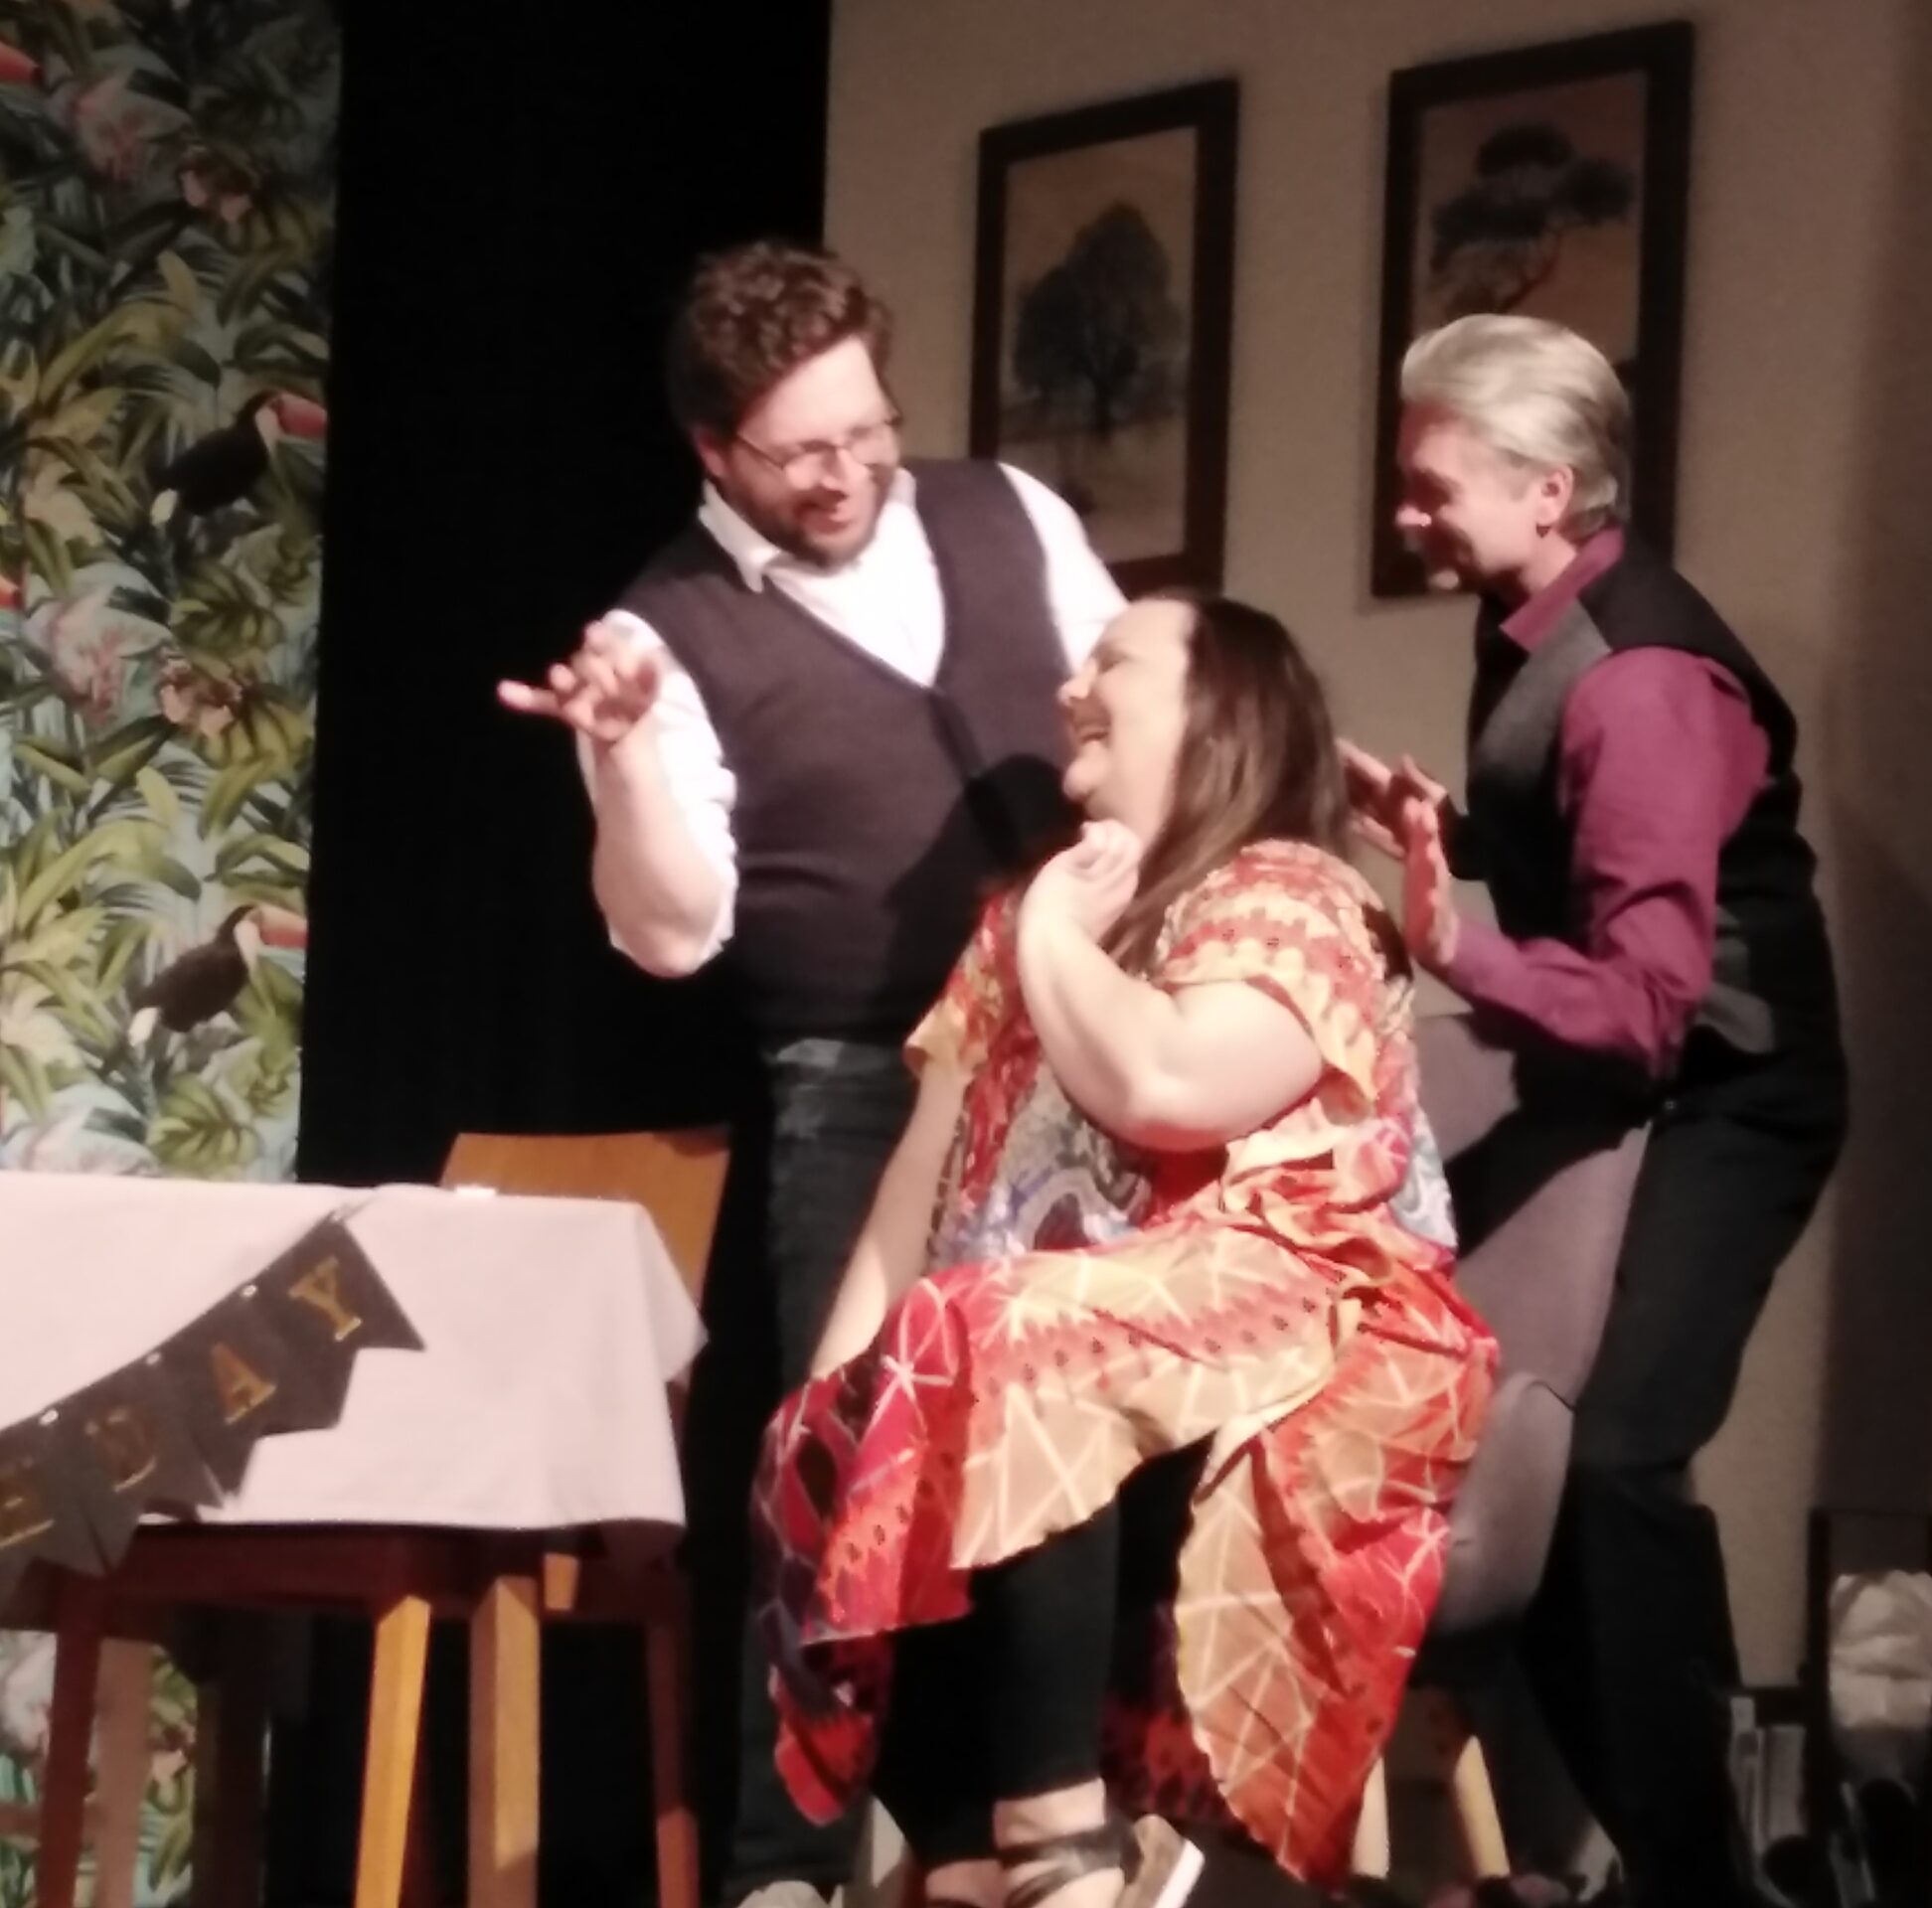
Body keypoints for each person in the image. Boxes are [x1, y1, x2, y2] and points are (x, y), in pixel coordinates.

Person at [499, 240, 1124, 1908]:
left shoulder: (1007, 513)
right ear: (715, 448)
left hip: (1077, 1057)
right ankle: (792, 1868)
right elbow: (668, 933)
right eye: (799, 452)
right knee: (843, 1469)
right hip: (861, 1081)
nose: (846, 474)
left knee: (1072, 1439)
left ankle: (1041, 1839)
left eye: (867, 431)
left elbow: (1140, 728)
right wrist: (624, 759)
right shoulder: (661, 629)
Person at [751, 594, 1495, 1908]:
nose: (1070, 688)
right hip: (1041, 1344)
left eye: (1114, 661)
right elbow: (919, 1182)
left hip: (1293, 1342)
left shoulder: (1295, 896)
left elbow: (1167, 1084)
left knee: (1023, 1333)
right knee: (836, 1427)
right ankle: (964, 1860)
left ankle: (1062, 1846)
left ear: (1218, 708)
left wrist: (1055, 934)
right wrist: (831, 1405)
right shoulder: (1014, 928)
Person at [1350, 313, 1848, 1907]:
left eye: (1432, 488)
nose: (1406, 517)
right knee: (1522, 1460)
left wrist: (1446, 941)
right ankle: (1664, 1853)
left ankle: (1698, 1867)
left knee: (1616, 1460)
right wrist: (1448, 837)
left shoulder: (1642, 678)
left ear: (1550, 489)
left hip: (1727, 1092)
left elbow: (1645, 1001)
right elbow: (1594, 859)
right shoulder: (1537, 619)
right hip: (1625, 1078)